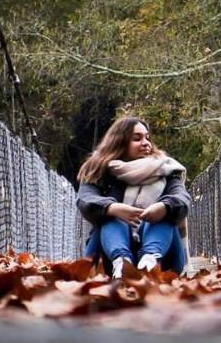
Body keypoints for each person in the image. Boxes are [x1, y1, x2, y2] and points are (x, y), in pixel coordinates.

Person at [77, 116, 191, 278]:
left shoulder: (166, 170)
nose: (146, 143)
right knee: (111, 216)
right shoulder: (98, 171)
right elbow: (84, 199)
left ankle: (149, 263)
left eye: (147, 138)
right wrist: (112, 208)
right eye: (137, 139)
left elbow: (182, 198)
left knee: (166, 211)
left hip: (164, 261)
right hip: (106, 260)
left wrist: (164, 207)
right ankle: (123, 264)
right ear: (119, 142)